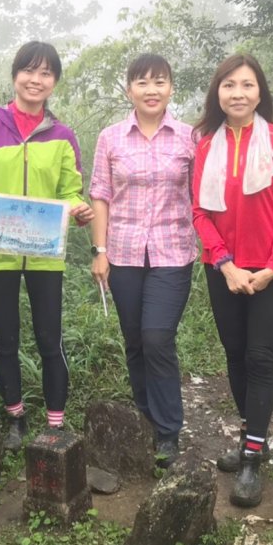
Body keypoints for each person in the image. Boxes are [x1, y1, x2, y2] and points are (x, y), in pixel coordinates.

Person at [0, 41, 94, 450]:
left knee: (51, 339)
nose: (36, 79)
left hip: (45, 252)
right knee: (5, 338)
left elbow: (71, 191)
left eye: (46, 73)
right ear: (15, 76)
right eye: (29, 70)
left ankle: (56, 423)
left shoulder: (62, 135)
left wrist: (80, 210)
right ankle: (15, 418)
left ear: (54, 82)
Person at [192, 54, 273, 507]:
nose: (238, 93)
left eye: (247, 85)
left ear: (261, 92)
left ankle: (252, 459)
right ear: (217, 93)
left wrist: (272, 269)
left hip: (269, 273)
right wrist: (226, 264)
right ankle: (250, 438)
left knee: (260, 358)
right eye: (229, 85)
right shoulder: (204, 145)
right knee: (235, 357)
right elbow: (199, 212)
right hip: (223, 271)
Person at [89, 54, 195, 467]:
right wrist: (100, 251)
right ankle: (144, 416)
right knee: (135, 339)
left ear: (171, 87)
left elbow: (203, 195)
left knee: (157, 337)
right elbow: (100, 193)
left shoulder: (189, 137)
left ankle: (169, 429)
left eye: (160, 81)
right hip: (125, 252)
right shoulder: (111, 138)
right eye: (142, 82)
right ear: (129, 88)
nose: (151, 90)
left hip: (172, 251)